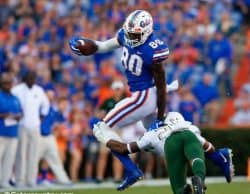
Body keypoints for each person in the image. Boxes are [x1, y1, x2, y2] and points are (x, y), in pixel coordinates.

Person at [70, 10, 173, 190]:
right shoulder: (126, 35)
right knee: (162, 143)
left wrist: (160, 117)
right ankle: (215, 156)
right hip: (140, 96)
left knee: (99, 127)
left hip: (143, 97)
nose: (131, 37)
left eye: (135, 34)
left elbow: (162, 87)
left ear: (147, 31)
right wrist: (87, 45)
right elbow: (102, 46)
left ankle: (132, 169)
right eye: (129, 32)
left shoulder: (153, 50)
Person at [99, 112, 234, 194]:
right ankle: (199, 179)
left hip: (170, 145)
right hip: (188, 135)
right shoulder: (185, 124)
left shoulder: (150, 135)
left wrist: (106, 139)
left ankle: (183, 190)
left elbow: (124, 149)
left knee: (178, 187)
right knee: (196, 159)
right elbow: (207, 147)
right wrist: (218, 156)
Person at [12, 71, 50, 187]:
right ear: (25, 79)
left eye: (33, 78)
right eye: (30, 78)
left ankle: (31, 180)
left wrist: (41, 117)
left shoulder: (38, 90)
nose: (32, 80)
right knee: (21, 154)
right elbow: (12, 103)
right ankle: (19, 180)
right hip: (22, 125)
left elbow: (46, 105)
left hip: (35, 126)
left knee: (34, 154)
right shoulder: (17, 90)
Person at [38, 90, 71, 185]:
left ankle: (63, 179)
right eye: (48, 96)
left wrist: (56, 127)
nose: (50, 98)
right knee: (34, 159)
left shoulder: (52, 110)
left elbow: (57, 124)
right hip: (39, 136)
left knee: (55, 158)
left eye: (52, 96)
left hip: (49, 136)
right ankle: (29, 179)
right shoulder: (39, 108)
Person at [0, 73, 22, 188]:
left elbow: (21, 112)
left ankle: (5, 182)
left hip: (13, 132)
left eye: (9, 83)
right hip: (1, 132)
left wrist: (18, 116)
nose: (8, 85)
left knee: (9, 160)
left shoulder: (15, 98)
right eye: (5, 83)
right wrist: (4, 115)